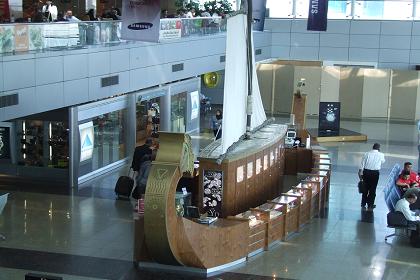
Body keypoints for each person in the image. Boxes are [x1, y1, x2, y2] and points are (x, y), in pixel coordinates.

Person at [359, 143, 385, 210]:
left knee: (365, 188)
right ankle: (370, 204)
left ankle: (363, 203)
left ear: (372, 147)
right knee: (373, 189)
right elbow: (383, 161)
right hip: (375, 173)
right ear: (379, 148)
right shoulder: (381, 155)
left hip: (366, 172)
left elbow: (362, 164)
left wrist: (360, 173)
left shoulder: (366, 154)